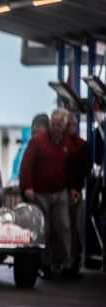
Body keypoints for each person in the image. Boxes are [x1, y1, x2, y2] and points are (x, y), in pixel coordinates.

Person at [20, 108, 78, 279]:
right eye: (53, 124)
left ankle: (68, 265)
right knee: (43, 229)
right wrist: (29, 187)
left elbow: (71, 170)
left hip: (59, 193)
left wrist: (73, 188)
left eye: (59, 125)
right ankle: (45, 265)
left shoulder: (67, 145)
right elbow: (26, 166)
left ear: (64, 126)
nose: (56, 127)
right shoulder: (37, 142)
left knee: (64, 228)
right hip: (41, 193)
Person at [66, 110, 91, 277]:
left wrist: (75, 189)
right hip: (64, 190)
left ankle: (73, 264)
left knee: (73, 228)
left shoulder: (81, 146)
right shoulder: (62, 144)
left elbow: (83, 169)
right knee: (66, 228)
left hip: (73, 192)